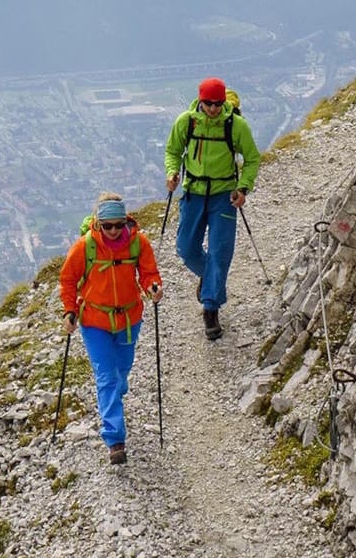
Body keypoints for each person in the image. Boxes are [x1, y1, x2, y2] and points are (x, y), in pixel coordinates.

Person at [59, 193, 163, 465]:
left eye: (119, 225)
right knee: (106, 377)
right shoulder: (85, 247)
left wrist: (152, 286)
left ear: (126, 221)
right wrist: (70, 310)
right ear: (98, 223)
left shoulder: (138, 243)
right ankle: (115, 439)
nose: (115, 231)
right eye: (108, 226)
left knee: (121, 370)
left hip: (129, 319)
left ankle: (116, 393)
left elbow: (148, 273)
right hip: (95, 321)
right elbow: (68, 280)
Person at [165, 77, 259, 340]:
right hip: (193, 192)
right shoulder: (187, 121)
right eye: (209, 104)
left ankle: (211, 309)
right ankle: (210, 282)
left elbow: (252, 159)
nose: (214, 109)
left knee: (219, 252)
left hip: (223, 195)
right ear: (200, 100)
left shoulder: (235, 125)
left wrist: (243, 189)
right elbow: (173, 151)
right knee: (186, 248)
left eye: (218, 104)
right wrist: (173, 173)